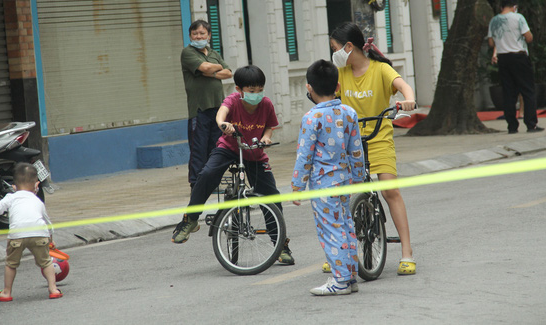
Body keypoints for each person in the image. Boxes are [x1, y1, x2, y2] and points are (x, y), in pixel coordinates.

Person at [172, 65, 295, 265]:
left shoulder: (266, 104)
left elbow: (269, 128)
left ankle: (280, 244)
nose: (256, 94)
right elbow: (221, 113)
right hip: (229, 148)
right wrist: (223, 124)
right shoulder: (233, 101)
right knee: (207, 174)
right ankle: (190, 219)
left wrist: (265, 138)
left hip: (254, 152)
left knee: (272, 198)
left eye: (259, 90)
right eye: (251, 90)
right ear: (239, 89)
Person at [329, 22, 417, 275]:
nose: (333, 53)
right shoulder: (340, 72)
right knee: (344, 194)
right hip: (349, 142)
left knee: (390, 190)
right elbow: (326, 91)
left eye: (334, 48)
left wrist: (408, 99)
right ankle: (338, 251)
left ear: (348, 47)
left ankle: (407, 253)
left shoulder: (380, 70)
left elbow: (403, 86)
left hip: (379, 138)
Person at [291, 60, 362, 296]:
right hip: (345, 181)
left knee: (330, 230)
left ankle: (340, 280)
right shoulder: (349, 113)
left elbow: (304, 155)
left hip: (322, 185)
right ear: (338, 86)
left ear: (309, 88)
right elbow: (356, 150)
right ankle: (350, 276)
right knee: (346, 226)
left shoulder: (311, 118)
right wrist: (359, 178)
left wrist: (297, 186)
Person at [0, 163, 62, 301]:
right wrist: (51, 240)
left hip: (17, 236)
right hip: (38, 235)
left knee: (11, 264)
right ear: (36, 185)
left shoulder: (11, 197)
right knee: (46, 262)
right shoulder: (38, 201)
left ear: (13, 187)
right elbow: (48, 224)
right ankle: (53, 289)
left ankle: (6, 292)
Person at [181, 20, 233, 190]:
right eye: (195, 33)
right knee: (198, 149)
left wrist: (210, 71)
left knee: (215, 148)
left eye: (202, 33)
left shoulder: (213, 53)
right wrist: (214, 68)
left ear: (209, 36)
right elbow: (205, 67)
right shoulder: (188, 53)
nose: (199, 36)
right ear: (190, 36)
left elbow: (228, 73)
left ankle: (211, 183)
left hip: (218, 109)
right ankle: (196, 184)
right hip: (199, 109)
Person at [488, 0, 544, 134]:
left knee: (508, 93)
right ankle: (531, 124)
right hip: (519, 57)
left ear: (502, 7)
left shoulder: (494, 21)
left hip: (503, 59)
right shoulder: (518, 18)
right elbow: (529, 37)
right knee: (528, 90)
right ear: (514, 7)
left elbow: (490, 43)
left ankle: (512, 126)